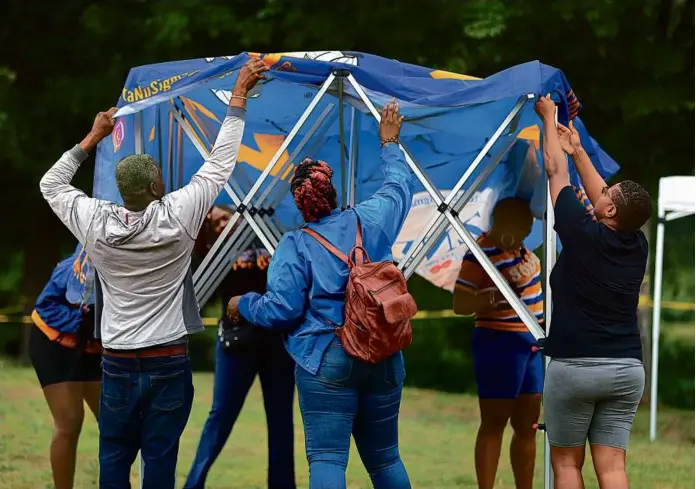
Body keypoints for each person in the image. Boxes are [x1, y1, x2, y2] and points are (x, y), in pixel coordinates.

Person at [39, 57, 268, 489]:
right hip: (168, 360)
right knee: (160, 461)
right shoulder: (179, 215)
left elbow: (50, 184)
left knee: (114, 457)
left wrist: (92, 138)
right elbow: (221, 163)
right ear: (157, 187)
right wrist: (237, 96)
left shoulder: (94, 221)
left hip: (118, 361)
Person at [227, 100, 412, 489]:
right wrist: (389, 143)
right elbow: (399, 187)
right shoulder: (371, 217)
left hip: (326, 358)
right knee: (386, 459)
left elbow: (281, 310)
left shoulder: (295, 245)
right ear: (331, 191)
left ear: (299, 203)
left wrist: (242, 303)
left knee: (328, 460)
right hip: (384, 352)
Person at [535, 94, 652, 489]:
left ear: (610, 212)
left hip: (576, 368)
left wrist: (549, 120)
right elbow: (600, 191)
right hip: (626, 371)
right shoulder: (637, 245)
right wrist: (580, 150)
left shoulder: (580, 232)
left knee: (567, 465)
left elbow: (555, 172)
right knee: (613, 467)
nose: (599, 193)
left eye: (606, 195)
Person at [184, 206, 296, 489]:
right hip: (236, 343)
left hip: (277, 342)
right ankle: (194, 483)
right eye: (214, 222)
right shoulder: (215, 252)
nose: (221, 224)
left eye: (225, 217)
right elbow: (198, 292)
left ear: (239, 214)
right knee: (220, 415)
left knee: (281, 419)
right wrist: (200, 246)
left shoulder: (269, 237)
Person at [453, 198, 544, 489]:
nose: (527, 235)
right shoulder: (480, 253)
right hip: (499, 343)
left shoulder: (521, 250)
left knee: (527, 427)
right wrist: (495, 296)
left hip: (531, 345)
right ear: (505, 225)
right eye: (523, 228)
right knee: (494, 423)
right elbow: (460, 302)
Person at [29, 244, 101, 489]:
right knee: (70, 421)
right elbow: (53, 304)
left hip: (93, 345)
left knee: (116, 424)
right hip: (54, 338)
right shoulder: (81, 261)